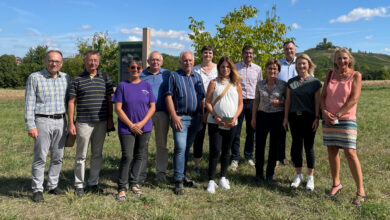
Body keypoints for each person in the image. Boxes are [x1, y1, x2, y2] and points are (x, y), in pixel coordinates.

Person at [321, 48, 366, 206]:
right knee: (332, 150)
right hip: (328, 119)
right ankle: (336, 184)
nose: (342, 61)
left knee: (350, 152)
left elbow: (354, 99)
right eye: (339, 58)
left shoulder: (356, 75)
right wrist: (324, 112)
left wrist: (338, 115)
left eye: (344, 58)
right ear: (335, 61)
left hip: (346, 118)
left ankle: (360, 191)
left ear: (350, 59)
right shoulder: (329, 75)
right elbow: (323, 97)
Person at [24, 50, 70, 202]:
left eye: (57, 61)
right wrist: (31, 125)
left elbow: (70, 102)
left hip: (61, 121)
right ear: (45, 61)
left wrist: (71, 122)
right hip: (42, 121)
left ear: (61, 63)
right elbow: (29, 103)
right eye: (51, 61)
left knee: (58, 157)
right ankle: (37, 189)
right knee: (40, 157)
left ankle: (52, 185)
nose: (54, 64)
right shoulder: (35, 77)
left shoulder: (66, 78)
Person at [68, 50, 114, 196]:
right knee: (81, 155)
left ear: (98, 62)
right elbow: (71, 102)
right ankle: (79, 185)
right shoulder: (77, 79)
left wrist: (110, 119)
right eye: (89, 60)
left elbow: (109, 99)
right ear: (84, 61)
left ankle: (93, 183)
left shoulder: (105, 78)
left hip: (101, 122)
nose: (92, 63)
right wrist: (71, 122)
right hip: (83, 122)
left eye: (95, 60)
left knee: (97, 154)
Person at [112, 59, 156, 201]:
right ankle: (121, 187)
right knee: (127, 157)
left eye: (138, 67)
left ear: (142, 69)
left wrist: (141, 123)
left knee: (139, 155)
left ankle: (134, 183)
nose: (135, 69)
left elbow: (152, 107)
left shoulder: (147, 86)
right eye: (132, 67)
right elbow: (117, 108)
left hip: (145, 127)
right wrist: (131, 125)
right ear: (128, 69)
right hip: (126, 128)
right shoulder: (122, 86)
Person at [165, 51, 205, 195]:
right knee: (180, 148)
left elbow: (202, 98)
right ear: (180, 62)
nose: (188, 63)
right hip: (180, 118)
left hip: (195, 118)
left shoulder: (197, 77)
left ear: (193, 62)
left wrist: (202, 114)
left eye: (190, 60)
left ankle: (183, 175)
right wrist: (174, 116)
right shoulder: (174, 76)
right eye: (185, 60)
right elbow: (168, 96)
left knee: (187, 148)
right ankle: (178, 181)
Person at [283, 54, 321, 191]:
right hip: (294, 118)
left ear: (309, 65)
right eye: (299, 64)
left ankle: (310, 177)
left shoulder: (315, 82)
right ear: (296, 66)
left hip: (310, 118)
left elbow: (318, 102)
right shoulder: (291, 82)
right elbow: (288, 101)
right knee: (296, 146)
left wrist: (317, 117)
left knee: (309, 147)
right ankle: (298, 175)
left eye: (304, 63)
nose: (301, 66)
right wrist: (286, 118)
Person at [205, 56, 243, 193]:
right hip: (215, 122)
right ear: (219, 68)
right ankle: (211, 180)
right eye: (222, 67)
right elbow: (208, 102)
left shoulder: (236, 84)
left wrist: (236, 117)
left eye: (228, 67)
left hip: (231, 123)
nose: (225, 69)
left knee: (227, 150)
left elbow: (240, 104)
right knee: (215, 149)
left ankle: (223, 177)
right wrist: (215, 116)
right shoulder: (213, 83)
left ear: (231, 68)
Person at [251, 59, 286, 184]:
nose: (272, 71)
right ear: (266, 69)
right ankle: (258, 173)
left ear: (278, 71)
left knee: (274, 146)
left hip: (277, 117)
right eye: (270, 68)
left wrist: (280, 102)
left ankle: (270, 174)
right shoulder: (260, 84)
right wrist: (253, 118)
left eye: (274, 69)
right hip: (262, 116)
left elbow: (288, 102)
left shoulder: (283, 84)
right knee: (259, 145)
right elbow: (256, 101)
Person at [140, 51, 171, 183]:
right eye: (152, 60)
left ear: (162, 62)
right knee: (142, 144)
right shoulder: (141, 75)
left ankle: (161, 173)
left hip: (162, 113)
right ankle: (140, 174)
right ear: (148, 62)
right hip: (145, 114)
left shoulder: (167, 74)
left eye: (158, 60)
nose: (155, 62)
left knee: (162, 145)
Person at [230, 45, 263, 171]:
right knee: (236, 131)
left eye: (251, 53)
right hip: (239, 103)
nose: (248, 55)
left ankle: (249, 156)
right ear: (242, 54)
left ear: (253, 55)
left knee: (251, 130)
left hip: (253, 103)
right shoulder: (236, 67)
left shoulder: (258, 69)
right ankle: (235, 157)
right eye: (246, 53)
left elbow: (259, 86)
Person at [192, 45, 218, 176]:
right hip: (199, 107)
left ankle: (214, 166)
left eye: (210, 53)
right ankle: (196, 164)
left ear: (213, 55)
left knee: (215, 138)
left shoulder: (218, 69)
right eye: (205, 53)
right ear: (201, 54)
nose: (207, 55)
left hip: (215, 108)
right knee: (199, 137)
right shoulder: (195, 70)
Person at [276, 41, 298, 166]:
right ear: (283, 50)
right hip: (281, 102)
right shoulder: (279, 64)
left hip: (296, 103)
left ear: (295, 49)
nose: (289, 51)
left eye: (291, 48)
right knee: (281, 131)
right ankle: (280, 157)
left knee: (296, 132)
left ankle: (295, 158)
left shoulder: (301, 63)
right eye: (286, 49)